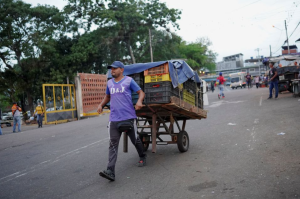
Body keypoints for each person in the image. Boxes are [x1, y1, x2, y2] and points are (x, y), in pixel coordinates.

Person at [97, 61, 146, 181]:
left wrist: (139, 101)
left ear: (122, 69)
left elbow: (141, 93)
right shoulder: (109, 83)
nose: (112, 71)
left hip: (128, 117)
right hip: (114, 119)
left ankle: (142, 156)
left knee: (135, 140)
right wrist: (101, 105)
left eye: (114, 68)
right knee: (113, 145)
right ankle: (110, 171)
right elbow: (108, 96)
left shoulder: (129, 81)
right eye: (111, 69)